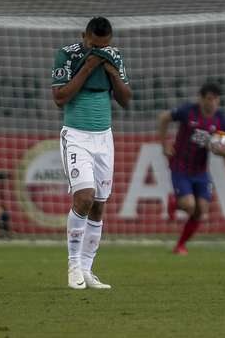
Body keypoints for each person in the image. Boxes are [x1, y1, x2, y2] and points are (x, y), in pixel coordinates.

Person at [51, 16, 132, 289]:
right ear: (83, 35)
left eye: (103, 45)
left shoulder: (114, 56)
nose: (97, 49)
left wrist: (111, 72)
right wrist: (87, 68)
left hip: (104, 139)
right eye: (93, 44)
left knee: (98, 204)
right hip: (76, 136)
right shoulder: (68, 55)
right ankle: (73, 265)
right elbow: (60, 98)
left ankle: (87, 269)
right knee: (83, 197)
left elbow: (125, 99)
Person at [158, 83, 225, 255]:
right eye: (209, 98)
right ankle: (175, 202)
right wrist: (164, 144)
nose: (212, 102)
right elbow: (164, 117)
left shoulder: (222, 120)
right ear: (201, 99)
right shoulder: (188, 111)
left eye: (216, 99)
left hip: (200, 171)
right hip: (180, 166)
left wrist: (224, 151)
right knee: (190, 206)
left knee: (202, 209)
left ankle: (180, 245)